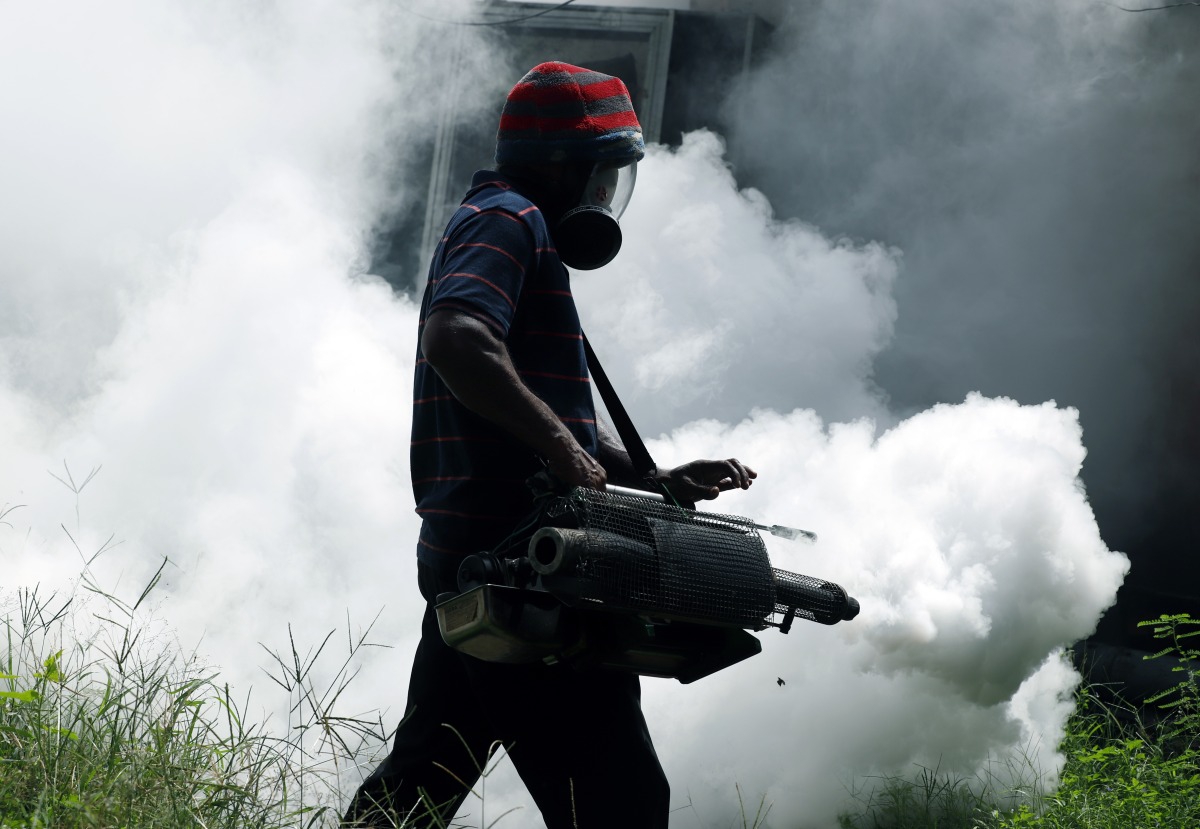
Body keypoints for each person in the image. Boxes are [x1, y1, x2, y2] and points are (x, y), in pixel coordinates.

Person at [342, 61, 757, 829]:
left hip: (478, 558)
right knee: (620, 802)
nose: (605, 198)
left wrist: (651, 473)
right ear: (566, 167)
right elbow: (458, 338)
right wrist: (563, 455)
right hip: (521, 562)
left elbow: (549, 408)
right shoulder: (509, 222)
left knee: (415, 790)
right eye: (605, 177)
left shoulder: (503, 223)